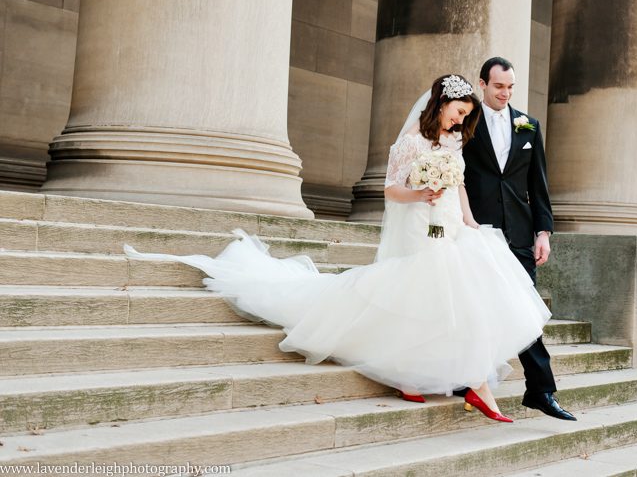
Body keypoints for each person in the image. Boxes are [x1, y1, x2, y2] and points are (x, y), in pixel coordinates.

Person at [125, 74, 550, 423]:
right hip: (421, 224)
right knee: (425, 292)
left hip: (451, 226)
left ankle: (459, 383)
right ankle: (449, 382)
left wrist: (472, 224)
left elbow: (459, 187)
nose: (460, 122)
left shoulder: (454, 145)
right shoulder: (410, 145)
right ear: (440, 104)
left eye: (466, 117)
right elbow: (390, 191)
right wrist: (419, 194)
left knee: (459, 296)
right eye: (459, 113)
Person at [461, 56, 576, 421]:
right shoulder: (464, 120)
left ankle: (541, 390)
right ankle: (465, 378)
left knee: (526, 309)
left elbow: (538, 185)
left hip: (520, 233)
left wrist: (543, 232)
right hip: (476, 230)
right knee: (475, 307)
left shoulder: (529, 126)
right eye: (498, 87)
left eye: (510, 87)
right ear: (482, 84)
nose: (505, 94)